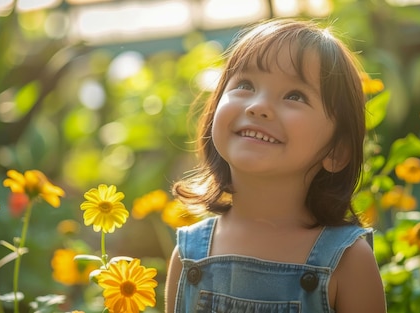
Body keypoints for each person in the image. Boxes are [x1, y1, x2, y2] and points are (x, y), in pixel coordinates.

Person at [165, 18, 386, 313]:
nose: (258, 106)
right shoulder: (188, 255)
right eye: (245, 84)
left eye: (294, 95)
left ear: (336, 151)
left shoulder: (348, 261)